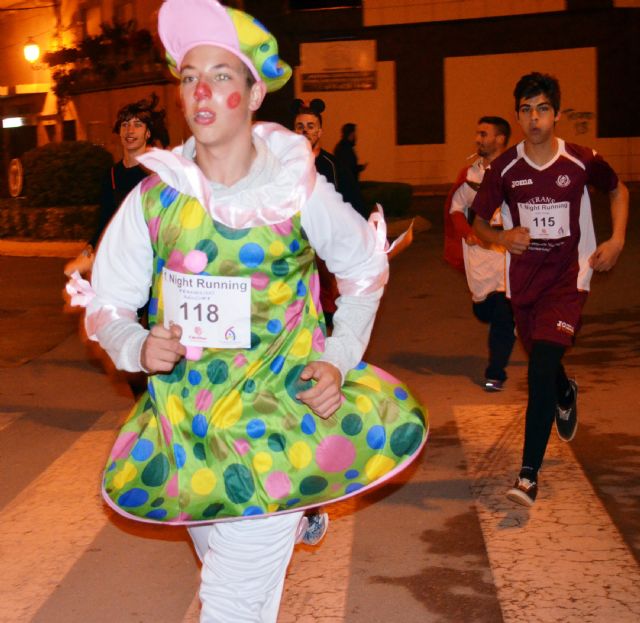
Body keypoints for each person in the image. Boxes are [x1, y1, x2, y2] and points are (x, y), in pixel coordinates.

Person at [67, 1, 427, 621]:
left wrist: (338, 359)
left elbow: (364, 269)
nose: (201, 91)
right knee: (240, 591)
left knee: (230, 603)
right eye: (188, 76)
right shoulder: (156, 199)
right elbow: (106, 302)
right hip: (191, 430)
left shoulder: (296, 190)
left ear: (256, 92)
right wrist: (134, 344)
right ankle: (300, 517)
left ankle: (294, 508)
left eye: (222, 75)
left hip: (277, 425)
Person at [471, 72, 628, 507]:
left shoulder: (580, 159)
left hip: (568, 278)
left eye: (542, 109)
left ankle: (527, 475)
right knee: (544, 360)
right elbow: (478, 222)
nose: (534, 118)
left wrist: (615, 240)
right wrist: (503, 239)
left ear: (557, 114)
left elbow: (618, 189)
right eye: (526, 109)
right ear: (518, 115)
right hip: (524, 283)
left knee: (539, 369)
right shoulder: (504, 169)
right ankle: (564, 391)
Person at [64, 94, 169, 277]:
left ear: (148, 133)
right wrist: (89, 249)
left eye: (137, 125)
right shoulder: (111, 175)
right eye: (125, 125)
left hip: (150, 262)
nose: (130, 131)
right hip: (120, 264)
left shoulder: (158, 173)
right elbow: (105, 221)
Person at [446, 116, 515, 391]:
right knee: (484, 310)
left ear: (500, 139)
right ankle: (506, 322)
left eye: (484, 134)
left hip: (509, 254)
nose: (478, 139)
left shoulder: (516, 172)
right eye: (478, 134)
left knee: (503, 313)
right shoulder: (471, 175)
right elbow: (456, 207)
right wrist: (467, 232)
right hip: (479, 255)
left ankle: (495, 372)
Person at [293, 98, 366, 331]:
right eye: (300, 126)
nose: (305, 131)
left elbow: (354, 203)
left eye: (310, 126)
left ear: (320, 131)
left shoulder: (332, 165)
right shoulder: (280, 165)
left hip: (325, 250)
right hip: (293, 248)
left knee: (328, 311)